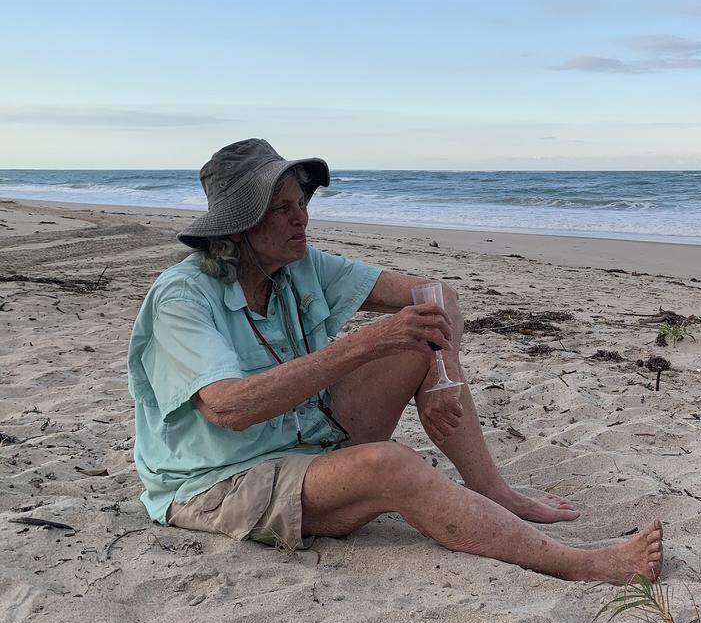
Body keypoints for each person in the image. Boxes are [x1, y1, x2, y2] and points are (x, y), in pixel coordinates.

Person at [127, 139, 663, 583]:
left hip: (304, 439)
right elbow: (227, 408)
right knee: (392, 463)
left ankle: (494, 491)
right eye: (282, 209)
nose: (302, 219)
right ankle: (577, 564)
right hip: (218, 479)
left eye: (303, 204)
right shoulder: (183, 297)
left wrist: (443, 375)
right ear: (239, 225)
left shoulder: (298, 266)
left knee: (415, 340)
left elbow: (435, 293)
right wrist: (362, 345)